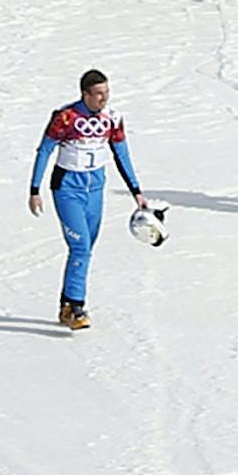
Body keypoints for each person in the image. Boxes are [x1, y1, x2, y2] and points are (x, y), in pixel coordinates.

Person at [29, 68, 149, 331]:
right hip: (67, 189)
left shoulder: (113, 118)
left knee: (86, 248)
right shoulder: (65, 117)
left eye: (106, 93)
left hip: (95, 189)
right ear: (85, 94)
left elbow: (121, 154)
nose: (103, 99)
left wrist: (136, 191)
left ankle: (65, 304)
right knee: (80, 247)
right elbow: (45, 150)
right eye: (97, 94)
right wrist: (34, 189)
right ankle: (76, 305)